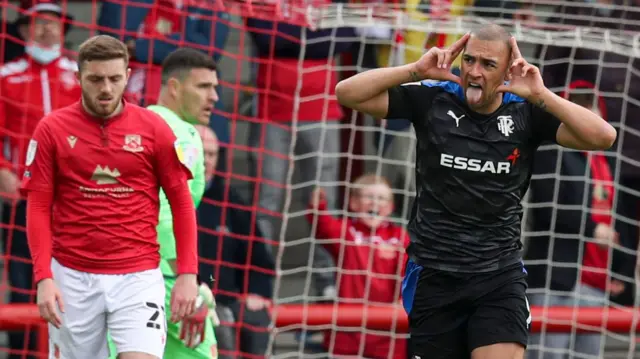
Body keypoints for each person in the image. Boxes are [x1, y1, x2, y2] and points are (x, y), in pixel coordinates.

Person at [335, 23, 617, 359]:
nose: (474, 72)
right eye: (469, 60)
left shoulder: (525, 112)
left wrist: (542, 95)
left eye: (488, 64)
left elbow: (603, 136)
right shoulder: (433, 98)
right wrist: (414, 70)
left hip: (498, 275)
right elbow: (346, 93)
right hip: (435, 273)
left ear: (508, 71)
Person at [21, 35, 200, 359]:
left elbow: (182, 203)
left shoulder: (154, 129)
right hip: (72, 276)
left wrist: (188, 273)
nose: (106, 88)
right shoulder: (52, 129)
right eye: (96, 79)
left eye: (115, 78)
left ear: (128, 76)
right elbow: (37, 207)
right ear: (78, 78)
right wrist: (43, 278)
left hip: (138, 276)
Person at [102, 48, 219, 358]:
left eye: (215, 87)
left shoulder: (137, 123)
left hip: (118, 274)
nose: (214, 97)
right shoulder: (179, 133)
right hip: (159, 276)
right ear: (174, 87)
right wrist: (187, 282)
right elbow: (166, 216)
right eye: (204, 87)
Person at [0, 1, 80, 357]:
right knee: (23, 280)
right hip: (23, 199)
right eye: (39, 23)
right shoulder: (6, 77)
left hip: (76, 200)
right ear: (21, 30)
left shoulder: (82, 75)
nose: (48, 30)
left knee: (75, 279)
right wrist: (1, 167)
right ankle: (22, 354)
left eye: (54, 24)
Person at [524, 80, 624, 359]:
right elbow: (548, 206)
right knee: (549, 354)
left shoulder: (605, 159)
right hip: (556, 277)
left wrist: (620, 269)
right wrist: (593, 229)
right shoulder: (551, 150)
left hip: (595, 280)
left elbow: (618, 214)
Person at [307, 174, 409, 359]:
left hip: (387, 333)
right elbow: (323, 227)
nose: (374, 203)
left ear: (390, 207)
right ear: (353, 203)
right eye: (368, 197)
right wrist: (318, 207)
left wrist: (404, 299)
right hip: (348, 330)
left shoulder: (399, 237)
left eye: (381, 198)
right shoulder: (347, 232)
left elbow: (409, 273)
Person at [196, 125, 275, 359]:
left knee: (254, 320)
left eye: (211, 154)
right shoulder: (165, 196)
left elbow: (258, 256)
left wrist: (257, 291)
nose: (206, 160)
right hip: (177, 297)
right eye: (200, 152)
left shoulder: (232, 202)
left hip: (225, 300)